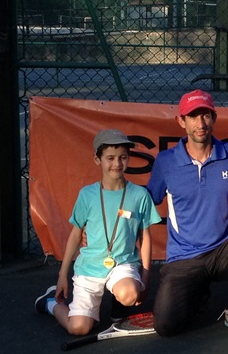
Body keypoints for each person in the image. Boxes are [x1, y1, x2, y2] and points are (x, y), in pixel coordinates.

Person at [146, 90, 228, 337]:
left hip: (225, 249)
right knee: (166, 326)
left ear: (214, 118)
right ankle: (198, 290)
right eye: (193, 116)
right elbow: (147, 201)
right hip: (185, 257)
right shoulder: (166, 161)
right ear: (181, 121)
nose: (200, 123)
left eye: (205, 115)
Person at [35, 130, 161, 335]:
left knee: (129, 294)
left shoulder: (140, 195)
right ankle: (50, 303)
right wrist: (62, 275)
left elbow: (145, 237)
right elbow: (75, 234)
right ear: (97, 159)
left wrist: (146, 277)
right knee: (79, 328)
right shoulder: (87, 195)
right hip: (89, 268)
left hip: (123, 265)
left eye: (122, 157)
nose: (117, 163)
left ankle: (120, 306)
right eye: (110, 158)